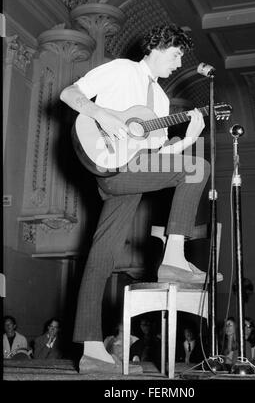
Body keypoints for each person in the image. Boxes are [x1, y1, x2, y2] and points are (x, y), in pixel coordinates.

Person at [60, 23, 210, 374]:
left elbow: (155, 151)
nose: (178, 63)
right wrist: (101, 114)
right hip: (105, 158)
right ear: (159, 46)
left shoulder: (159, 99)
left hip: (131, 170)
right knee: (198, 168)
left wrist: (187, 139)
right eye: (176, 55)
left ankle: (93, 352)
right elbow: (70, 93)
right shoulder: (121, 69)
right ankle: (173, 257)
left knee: (102, 252)